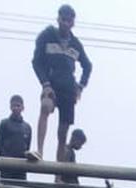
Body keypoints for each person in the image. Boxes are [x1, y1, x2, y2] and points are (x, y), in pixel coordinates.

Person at [33, 5, 92, 162]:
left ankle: (57, 174)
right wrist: (45, 83)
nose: (66, 23)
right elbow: (36, 62)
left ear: (73, 23)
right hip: (51, 84)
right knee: (45, 106)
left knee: (63, 132)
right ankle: (39, 150)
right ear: (58, 19)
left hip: (68, 89)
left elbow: (87, 65)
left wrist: (80, 87)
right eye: (63, 20)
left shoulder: (76, 44)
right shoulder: (47, 36)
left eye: (69, 21)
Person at [0, 95, 32, 179]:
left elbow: (27, 147)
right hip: (6, 166)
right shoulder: (4, 123)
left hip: (22, 167)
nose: (15, 108)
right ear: (10, 107)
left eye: (18, 106)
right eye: (13, 105)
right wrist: (4, 161)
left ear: (23, 107)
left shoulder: (27, 127)